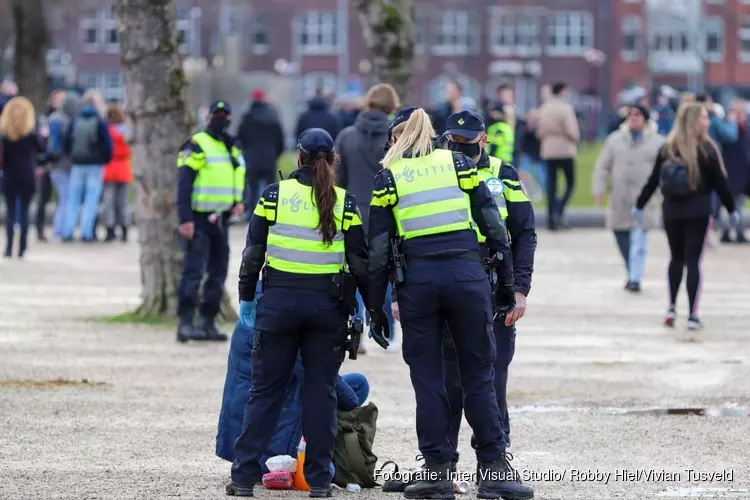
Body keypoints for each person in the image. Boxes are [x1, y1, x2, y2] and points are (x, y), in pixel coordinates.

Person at [368, 107, 532, 500]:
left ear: (397, 138)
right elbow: (493, 225)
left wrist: (376, 306)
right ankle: (493, 469)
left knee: (429, 379)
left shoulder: (388, 177)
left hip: (419, 282)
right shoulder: (459, 165)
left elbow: (375, 251)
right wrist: (508, 283)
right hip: (467, 276)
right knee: (479, 374)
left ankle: (437, 469)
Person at [227, 128, 369, 498]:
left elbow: (252, 254)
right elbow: (360, 263)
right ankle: (320, 481)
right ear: (332, 161)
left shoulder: (273, 196)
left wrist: (246, 297)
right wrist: (370, 308)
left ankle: (243, 478)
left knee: (265, 393)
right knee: (320, 394)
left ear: (298, 158)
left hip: (278, 308)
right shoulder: (346, 203)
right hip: (327, 309)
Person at [438, 110, 536, 481]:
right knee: (449, 382)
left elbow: (525, 233)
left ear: (484, 140)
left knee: (492, 379)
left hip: (496, 284)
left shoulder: (504, 174)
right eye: (454, 142)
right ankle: (440, 466)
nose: (460, 149)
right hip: (452, 282)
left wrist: (520, 288)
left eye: (467, 143)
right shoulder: (437, 173)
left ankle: (494, 464)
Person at [216, 280, 370, 466]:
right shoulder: (280, 317)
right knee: (335, 394)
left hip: (257, 407)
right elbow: (312, 370)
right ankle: (300, 453)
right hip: (268, 425)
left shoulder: (264, 301)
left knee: (357, 384)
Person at [634, 103, 739, 331]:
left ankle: (671, 307)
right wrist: (732, 209)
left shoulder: (668, 148)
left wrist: (640, 204)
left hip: (672, 211)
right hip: (698, 211)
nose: (707, 122)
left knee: (675, 258)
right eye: (703, 118)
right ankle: (692, 314)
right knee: (693, 260)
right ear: (694, 121)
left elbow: (653, 181)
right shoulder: (707, 149)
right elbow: (721, 185)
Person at [335, 83, 400, 350]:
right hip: (386, 212)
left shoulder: (346, 136)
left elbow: (337, 181)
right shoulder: (396, 138)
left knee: (354, 271)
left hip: (353, 211)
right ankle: (387, 331)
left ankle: (356, 328)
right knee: (384, 272)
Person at [176, 100, 245, 343]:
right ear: (208, 118)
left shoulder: (231, 145)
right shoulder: (197, 144)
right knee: (194, 270)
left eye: (226, 115)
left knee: (219, 270)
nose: (222, 119)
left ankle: (207, 321)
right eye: (217, 114)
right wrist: (185, 218)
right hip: (198, 217)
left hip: (221, 219)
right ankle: (185, 322)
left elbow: (236, 175)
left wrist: (238, 200)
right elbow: (184, 183)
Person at [593, 104, 665, 292]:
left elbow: (665, 171)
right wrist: (598, 188)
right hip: (620, 197)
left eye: (638, 115)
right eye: (630, 115)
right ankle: (631, 269)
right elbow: (602, 166)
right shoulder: (615, 140)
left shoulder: (658, 142)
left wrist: (663, 193)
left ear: (646, 119)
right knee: (621, 234)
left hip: (645, 199)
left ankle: (635, 278)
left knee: (640, 239)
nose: (633, 118)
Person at [61, 90, 112, 242]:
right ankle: (86, 232)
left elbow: (66, 143)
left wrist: (72, 157)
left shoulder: (75, 120)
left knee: (73, 200)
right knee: (91, 201)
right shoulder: (99, 121)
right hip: (95, 165)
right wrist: (104, 160)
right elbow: (107, 146)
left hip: (77, 165)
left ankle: (68, 231)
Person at [1, 96, 46, 258]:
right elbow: (43, 149)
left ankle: (8, 248)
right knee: (25, 213)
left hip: (9, 175)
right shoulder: (32, 134)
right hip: (28, 175)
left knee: (10, 213)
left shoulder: (5, 135)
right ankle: (22, 248)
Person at [537, 82, 580, 231]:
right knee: (570, 183)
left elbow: (539, 131)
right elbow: (572, 131)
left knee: (551, 186)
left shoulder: (544, 108)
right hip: (565, 149)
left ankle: (551, 219)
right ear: (562, 91)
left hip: (548, 149)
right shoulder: (565, 108)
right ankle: (558, 211)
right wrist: (576, 138)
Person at [237, 88, 285, 214]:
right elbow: (280, 140)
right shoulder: (273, 117)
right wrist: (275, 154)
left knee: (252, 191)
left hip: (251, 159)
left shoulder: (246, 118)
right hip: (269, 158)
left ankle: (253, 217)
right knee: (271, 191)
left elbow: (241, 140)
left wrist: (246, 153)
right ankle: (271, 216)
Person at [46, 91, 80, 240]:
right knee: (66, 199)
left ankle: (62, 230)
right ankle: (61, 231)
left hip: (57, 165)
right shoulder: (72, 121)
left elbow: (52, 146)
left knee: (63, 199)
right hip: (68, 165)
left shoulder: (54, 119)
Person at [34, 91, 65, 242]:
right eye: (57, 100)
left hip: (60, 165)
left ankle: (59, 230)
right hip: (46, 164)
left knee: (62, 199)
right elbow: (39, 143)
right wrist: (40, 163)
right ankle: (40, 229)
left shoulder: (66, 119)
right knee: (43, 199)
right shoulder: (43, 119)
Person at [718, 98, 749, 243]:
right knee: (728, 206)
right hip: (728, 173)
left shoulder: (746, 129)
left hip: (742, 174)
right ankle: (726, 232)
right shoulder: (727, 130)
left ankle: (738, 232)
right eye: (736, 111)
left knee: (739, 205)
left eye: (741, 111)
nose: (739, 115)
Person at [102, 103, 132, 242]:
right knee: (122, 202)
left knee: (109, 202)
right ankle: (125, 229)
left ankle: (110, 230)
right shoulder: (126, 131)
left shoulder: (107, 130)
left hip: (109, 167)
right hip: (124, 168)